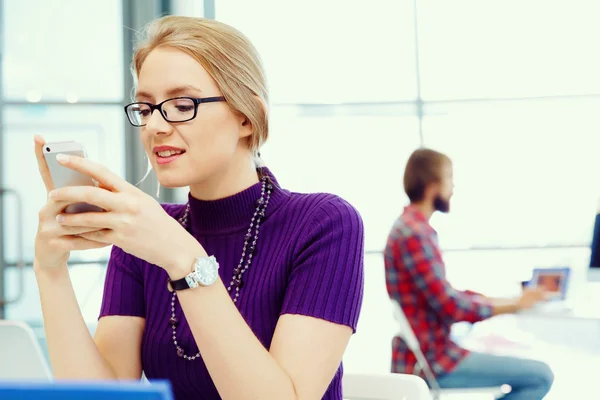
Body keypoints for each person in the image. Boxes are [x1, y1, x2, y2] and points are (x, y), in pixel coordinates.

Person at [33, 16, 364, 400]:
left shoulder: (324, 224)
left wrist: (183, 259)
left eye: (180, 104)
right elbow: (103, 397)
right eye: (146, 107)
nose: (155, 125)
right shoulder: (146, 237)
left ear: (246, 115)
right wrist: (50, 271)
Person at [384, 148, 554, 400]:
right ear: (433, 185)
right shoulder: (415, 234)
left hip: (428, 354)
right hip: (434, 361)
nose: (453, 187)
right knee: (540, 376)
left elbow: (445, 295)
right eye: (449, 178)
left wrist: (507, 301)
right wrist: (514, 305)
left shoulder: (410, 227)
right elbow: (450, 306)